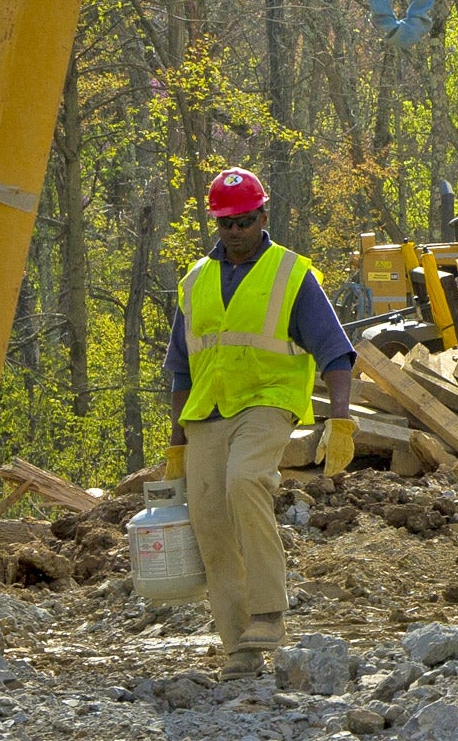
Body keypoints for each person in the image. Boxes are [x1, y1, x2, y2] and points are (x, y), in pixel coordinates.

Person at [166, 167, 357, 680]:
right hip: (205, 411)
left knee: (246, 480)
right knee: (209, 520)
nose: (235, 233)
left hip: (268, 402)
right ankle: (240, 650)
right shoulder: (194, 282)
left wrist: (340, 420)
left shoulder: (291, 274)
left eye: (245, 223)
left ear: (263, 218)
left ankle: (270, 610)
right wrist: (176, 443)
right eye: (226, 224)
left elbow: (336, 351)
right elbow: (180, 367)